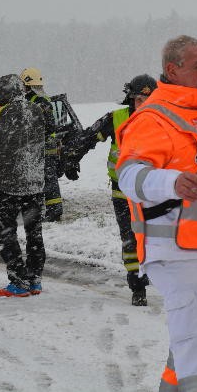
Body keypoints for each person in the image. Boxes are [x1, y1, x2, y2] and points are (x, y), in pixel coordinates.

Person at [116, 36, 197, 392]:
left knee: (193, 339)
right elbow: (129, 176)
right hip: (173, 251)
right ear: (173, 69)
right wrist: (171, 182)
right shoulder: (152, 118)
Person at [73, 74, 157, 306]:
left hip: (153, 192)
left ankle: (163, 278)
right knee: (130, 240)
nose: (145, 104)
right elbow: (88, 137)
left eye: (150, 99)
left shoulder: (164, 121)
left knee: (154, 240)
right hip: (122, 193)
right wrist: (72, 158)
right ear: (131, 99)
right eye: (140, 99)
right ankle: (137, 285)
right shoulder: (116, 118)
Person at [0, 74, 46, 297]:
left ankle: (18, 281)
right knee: (34, 233)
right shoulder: (37, 110)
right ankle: (35, 278)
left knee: (6, 232)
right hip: (35, 182)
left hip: (8, 183)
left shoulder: (3, 112)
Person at [20, 67, 64, 222]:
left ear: (27, 85)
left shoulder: (38, 102)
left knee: (47, 178)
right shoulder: (38, 100)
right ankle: (51, 209)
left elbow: (47, 126)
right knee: (46, 178)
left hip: (43, 147)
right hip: (44, 146)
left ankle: (55, 211)